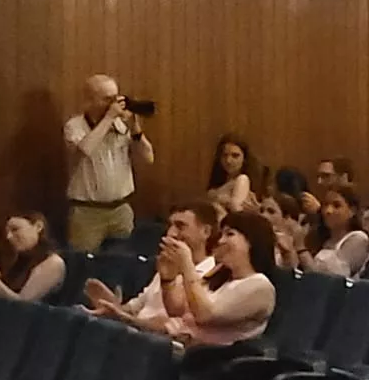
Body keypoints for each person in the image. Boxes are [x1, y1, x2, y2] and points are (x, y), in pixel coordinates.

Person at [151, 211, 277, 347]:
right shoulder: (219, 274)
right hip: (181, 346)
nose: (221, 241)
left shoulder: (260, 286)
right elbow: (176, 310)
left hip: (216, 357)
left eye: (230, 234)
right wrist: (168, 280)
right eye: (221, 235)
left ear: (252, 241)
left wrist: (187, 265)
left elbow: (205, 315)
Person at [86, 202, 219, 329]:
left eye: (180, 226)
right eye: (170, 226)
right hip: (133, 333)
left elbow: (177, 325)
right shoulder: (168, 265)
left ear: (206, 232)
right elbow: (134, 309)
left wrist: (125, 318)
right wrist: (111, 305)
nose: (171, 233)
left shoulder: (214, 275)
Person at [64, 74, 154, 251]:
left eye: (116, 97)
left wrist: (136, 129)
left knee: (121, 260)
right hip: (88, 212)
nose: (114, 104)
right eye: (107, 99)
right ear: (90, 100)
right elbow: (84, 149)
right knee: (84, 261)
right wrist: (108, 118)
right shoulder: (74, 126)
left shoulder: (121, 125)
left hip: (121, 209)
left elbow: (148, 157)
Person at [0, 212, 66, 302]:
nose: (9, 237)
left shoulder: (52, 262)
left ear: (38, 226)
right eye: (7, 232)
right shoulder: (18, 260)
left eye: (15, 229)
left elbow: (23, 306)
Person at [296, 183, 369, 277]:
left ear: (352, 210)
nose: (328, 211)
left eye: (337, 206)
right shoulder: (319, 238)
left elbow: (334, 278)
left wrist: (301, 249)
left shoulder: (358, 239)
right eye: (325, 205)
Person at [206, 134, 255, 213]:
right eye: (224, 155)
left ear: (244, 158)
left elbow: (236, 211)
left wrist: (221, 200)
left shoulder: (242, 179)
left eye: (235, 156)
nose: (228, 160)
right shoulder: (218, 182)